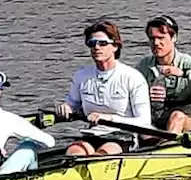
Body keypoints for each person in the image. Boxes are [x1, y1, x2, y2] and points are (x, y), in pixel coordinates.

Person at [57, 21, 151, 156]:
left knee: (100, 156)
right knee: (73, 153)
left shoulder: (132, 77)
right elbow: (72, 104)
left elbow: (144, 122)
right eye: (92, 43)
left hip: (122, 136)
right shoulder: (81, 75)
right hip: (92, 134)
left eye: (102, 43)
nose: (96, 47)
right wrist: (66, 108)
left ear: (115, 46)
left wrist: (110, 118)